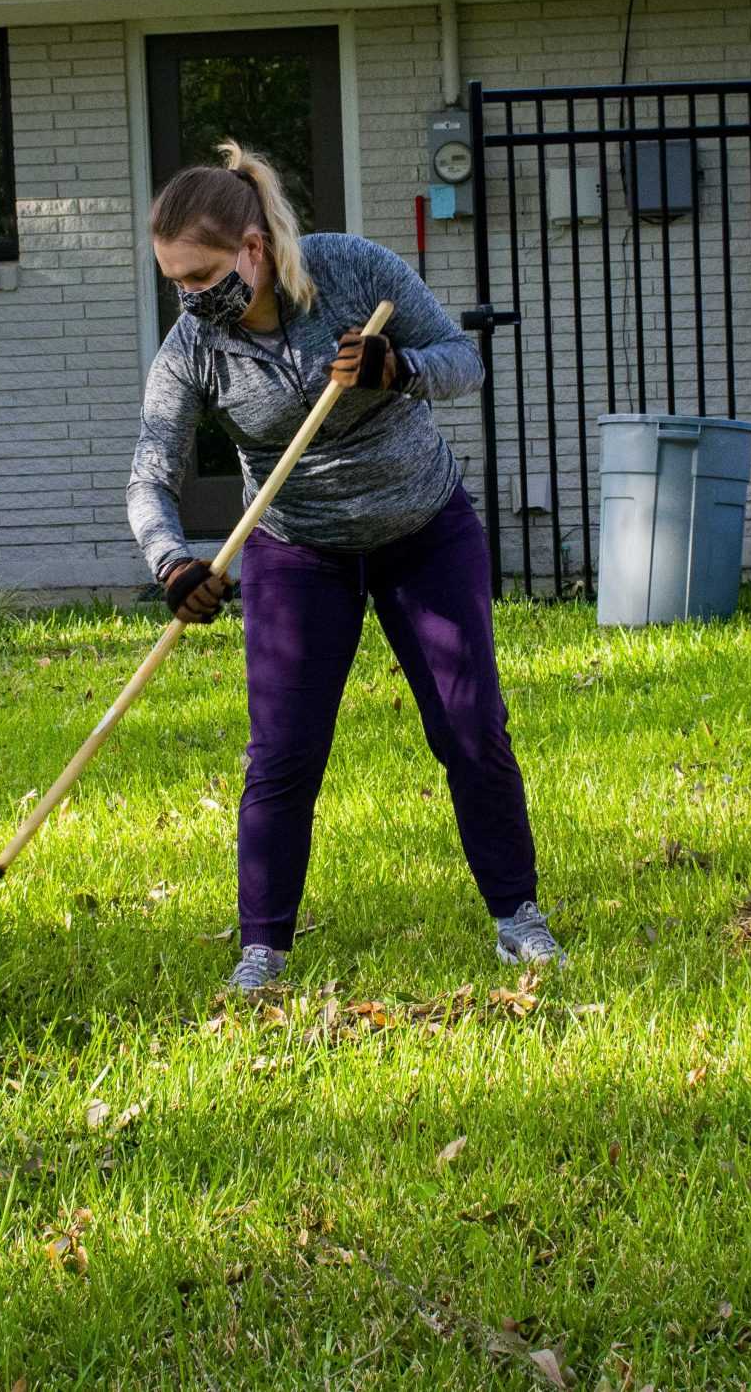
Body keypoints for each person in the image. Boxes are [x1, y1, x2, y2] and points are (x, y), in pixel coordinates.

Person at [126, 140, 560, 995]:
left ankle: (518, 917)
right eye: (174, 280)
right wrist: (172, 560)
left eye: (201, 274)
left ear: (252, 249)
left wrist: (398, 370)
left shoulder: (351, 271)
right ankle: (263, 952)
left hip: (423, 528)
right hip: (299, 551)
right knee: (283, 754)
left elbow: (463, 361)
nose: (188, 296)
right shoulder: (194, 348)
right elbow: (150, 469)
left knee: (470, 728)